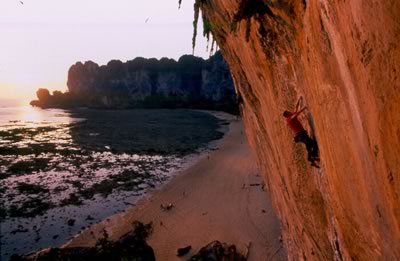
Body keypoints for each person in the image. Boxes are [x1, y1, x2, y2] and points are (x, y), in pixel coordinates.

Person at [283, 98, 320, 168]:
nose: (289, 111)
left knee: (309, 145)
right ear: (287, 114)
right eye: (288, 112)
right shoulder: (289, 119)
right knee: (313, 143)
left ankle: (311, 158)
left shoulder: (290, 116)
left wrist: (299, 100)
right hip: (300, 135)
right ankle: (312, 157)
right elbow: (297, 113)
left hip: (301, 134)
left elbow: (296, 109)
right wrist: (304, 108)